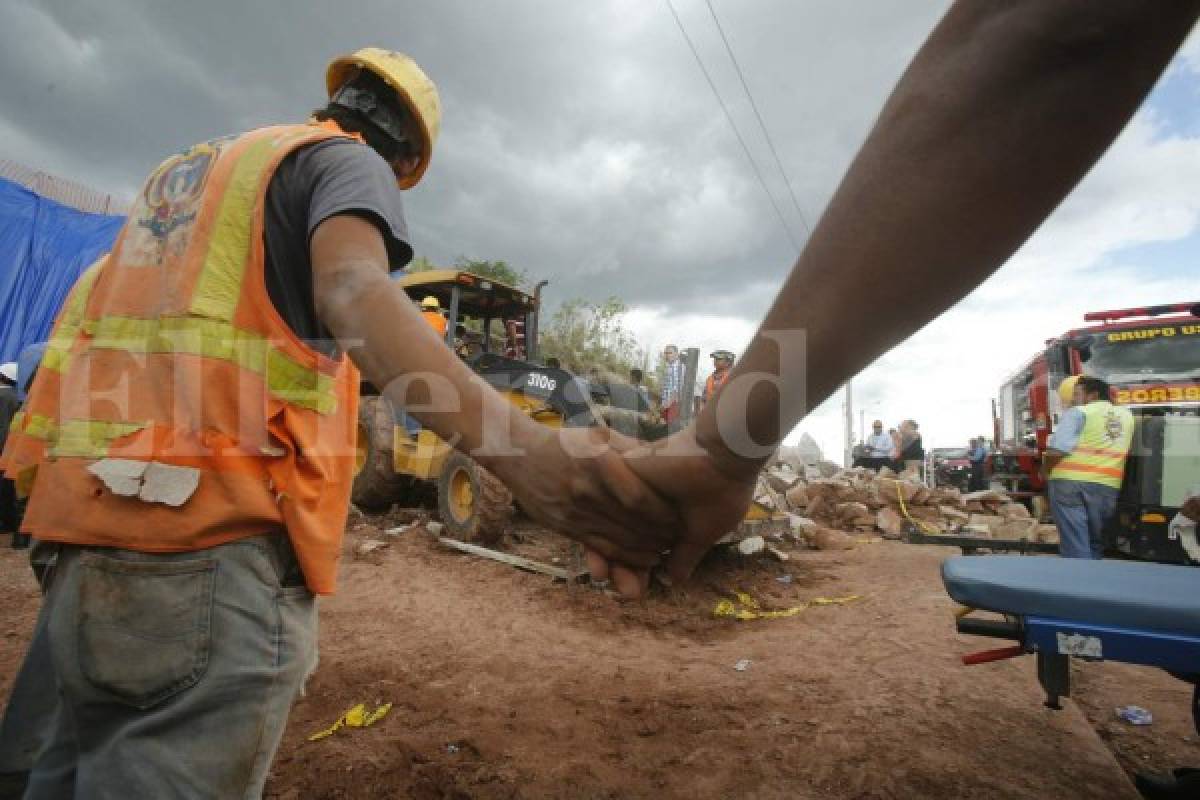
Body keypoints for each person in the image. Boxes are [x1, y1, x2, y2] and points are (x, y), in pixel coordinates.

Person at [1, 47, 674, 797]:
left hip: (77, 540)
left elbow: (85, 334)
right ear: (408, 157)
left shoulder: (186, 185)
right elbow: (354, 289)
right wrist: (539, 463)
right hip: (209, 546)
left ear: (339, 99)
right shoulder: (345, 164)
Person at [582, 1, 1200, 590]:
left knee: (1081, 551)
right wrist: (720, 449)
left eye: (721, 364)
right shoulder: (1113, 418)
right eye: (719, 365)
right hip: (1102, 486)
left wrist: (720, 448)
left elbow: (1068, 33)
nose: (717, 368)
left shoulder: (1081, 417)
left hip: (739, 437)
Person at [1044, 376, 1134, 559]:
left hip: (1069, 485)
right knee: (1096, 542)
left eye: (1077, 394)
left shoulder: (1079, 413)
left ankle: (1077, 583)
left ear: (1092, 395)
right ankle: (1093, 582)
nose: (1073, 399)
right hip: (1107, 486)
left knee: (1076, 543)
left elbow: (1057, 450)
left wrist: (1045, 471)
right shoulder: (1127, 416)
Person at [0, 363, 19, 544]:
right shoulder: (16, 397)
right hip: (13, 447)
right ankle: (12, 523)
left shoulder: (2, 396)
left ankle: (5, 522)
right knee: (10, 486)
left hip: (2, 447)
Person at [659, 344, 686, 427]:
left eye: (669, 353)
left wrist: (667, 404)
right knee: (663, 427)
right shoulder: (669, 366)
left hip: (673, 404)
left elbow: (677, 388)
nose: (667, 355)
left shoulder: (678, 367)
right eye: (666, 353)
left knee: (670, 429)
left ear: (676, 354)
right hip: (667, 403)